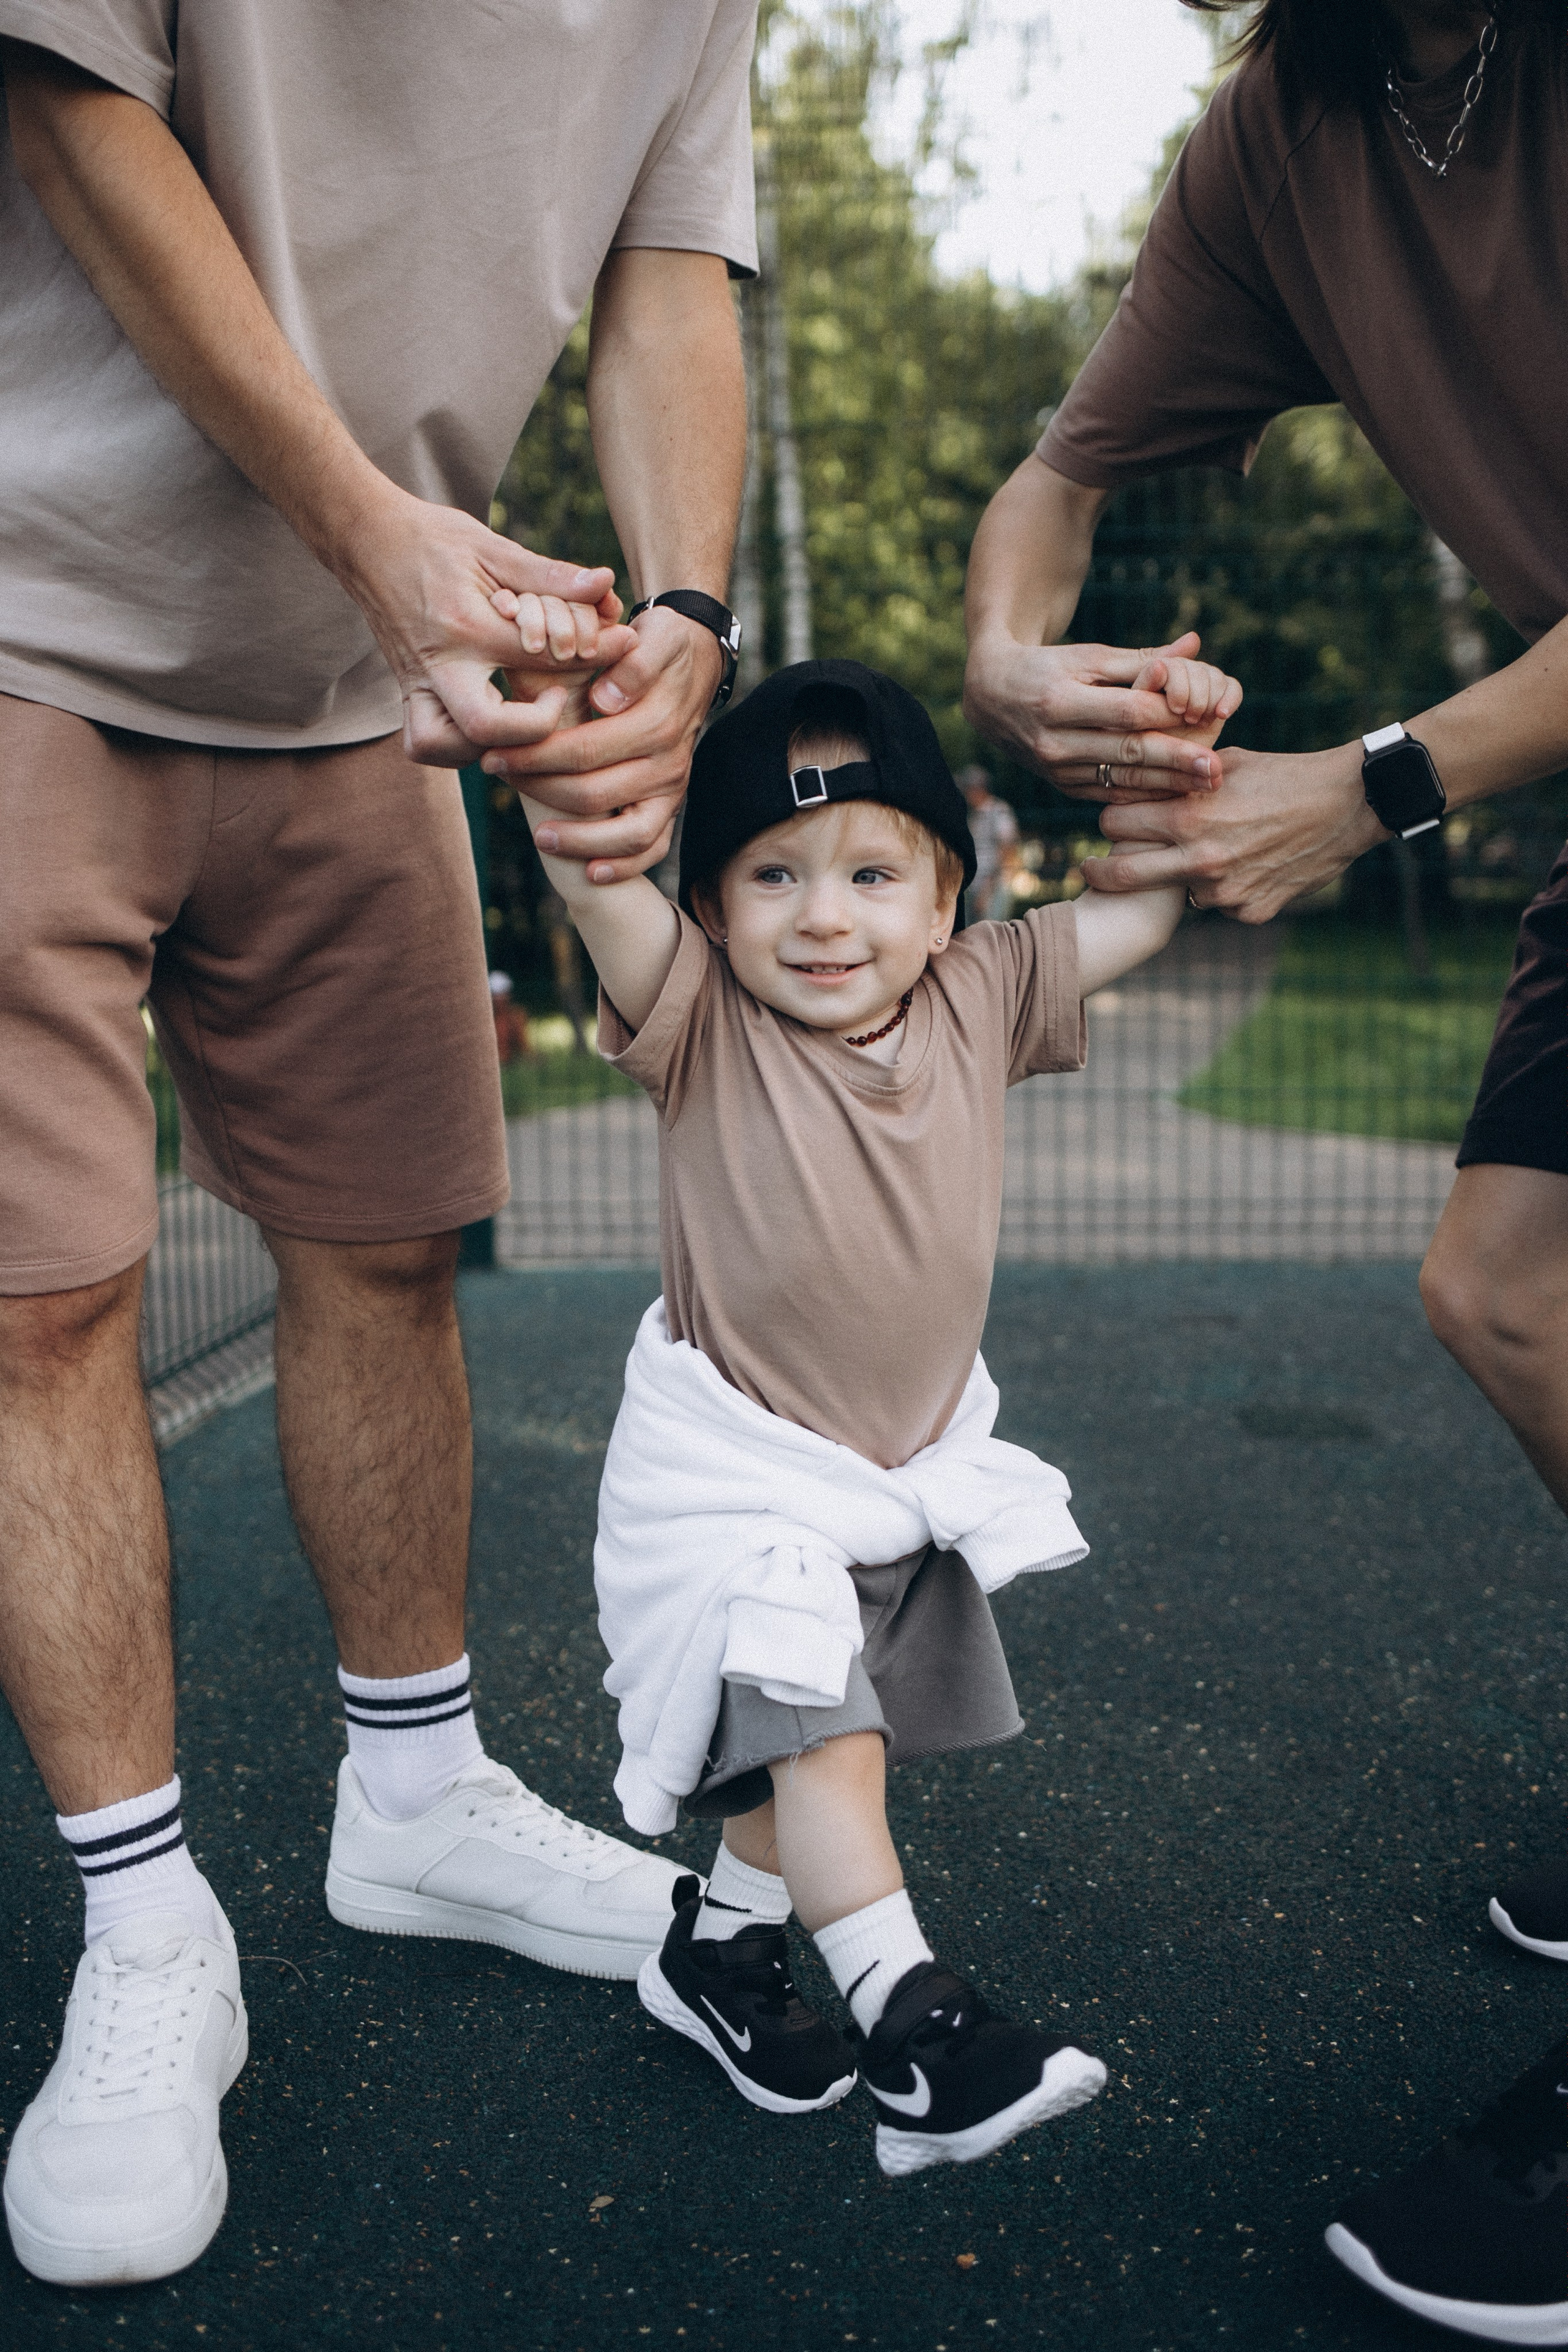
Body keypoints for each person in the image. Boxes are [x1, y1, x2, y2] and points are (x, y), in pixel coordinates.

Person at [0, 0, 758, 2289]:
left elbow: (667, 255)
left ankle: (413, 1806)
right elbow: (65, 100)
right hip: (28, 621)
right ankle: (147, 1934)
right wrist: (369, 536)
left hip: (373, 692)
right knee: (41, 1307)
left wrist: (687, 624)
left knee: (390, 1246)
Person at [962, 0, 1568, 2335]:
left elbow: (1383, 772)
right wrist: (1016, 661)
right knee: (1504, 1284)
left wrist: (1376, 778)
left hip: (1467, 763)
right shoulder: (1282, 137)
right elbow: (1047, 481)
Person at [514, 650, 1233, 2171]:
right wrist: (563, 748)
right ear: (707, 907)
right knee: (827, 1744)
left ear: (945, 892)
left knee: (819, 1762)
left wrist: (1157, 767)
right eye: (770, 873)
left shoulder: (982, 992)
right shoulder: (698, 1015)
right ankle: (914, 2024)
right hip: (744, 1499)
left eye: (867, 870)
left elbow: (1145, 907)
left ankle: (714, 1950)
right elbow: (592, 866)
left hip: (890, 1481)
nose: (823, 914)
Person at [956, 763, 1020, 922]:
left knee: (991, 936)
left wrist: (987, 892)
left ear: (977, 789)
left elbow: (1007, 853)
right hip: (976, 887)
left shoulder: (999, 812)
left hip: (994, 888)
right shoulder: (972, 815)